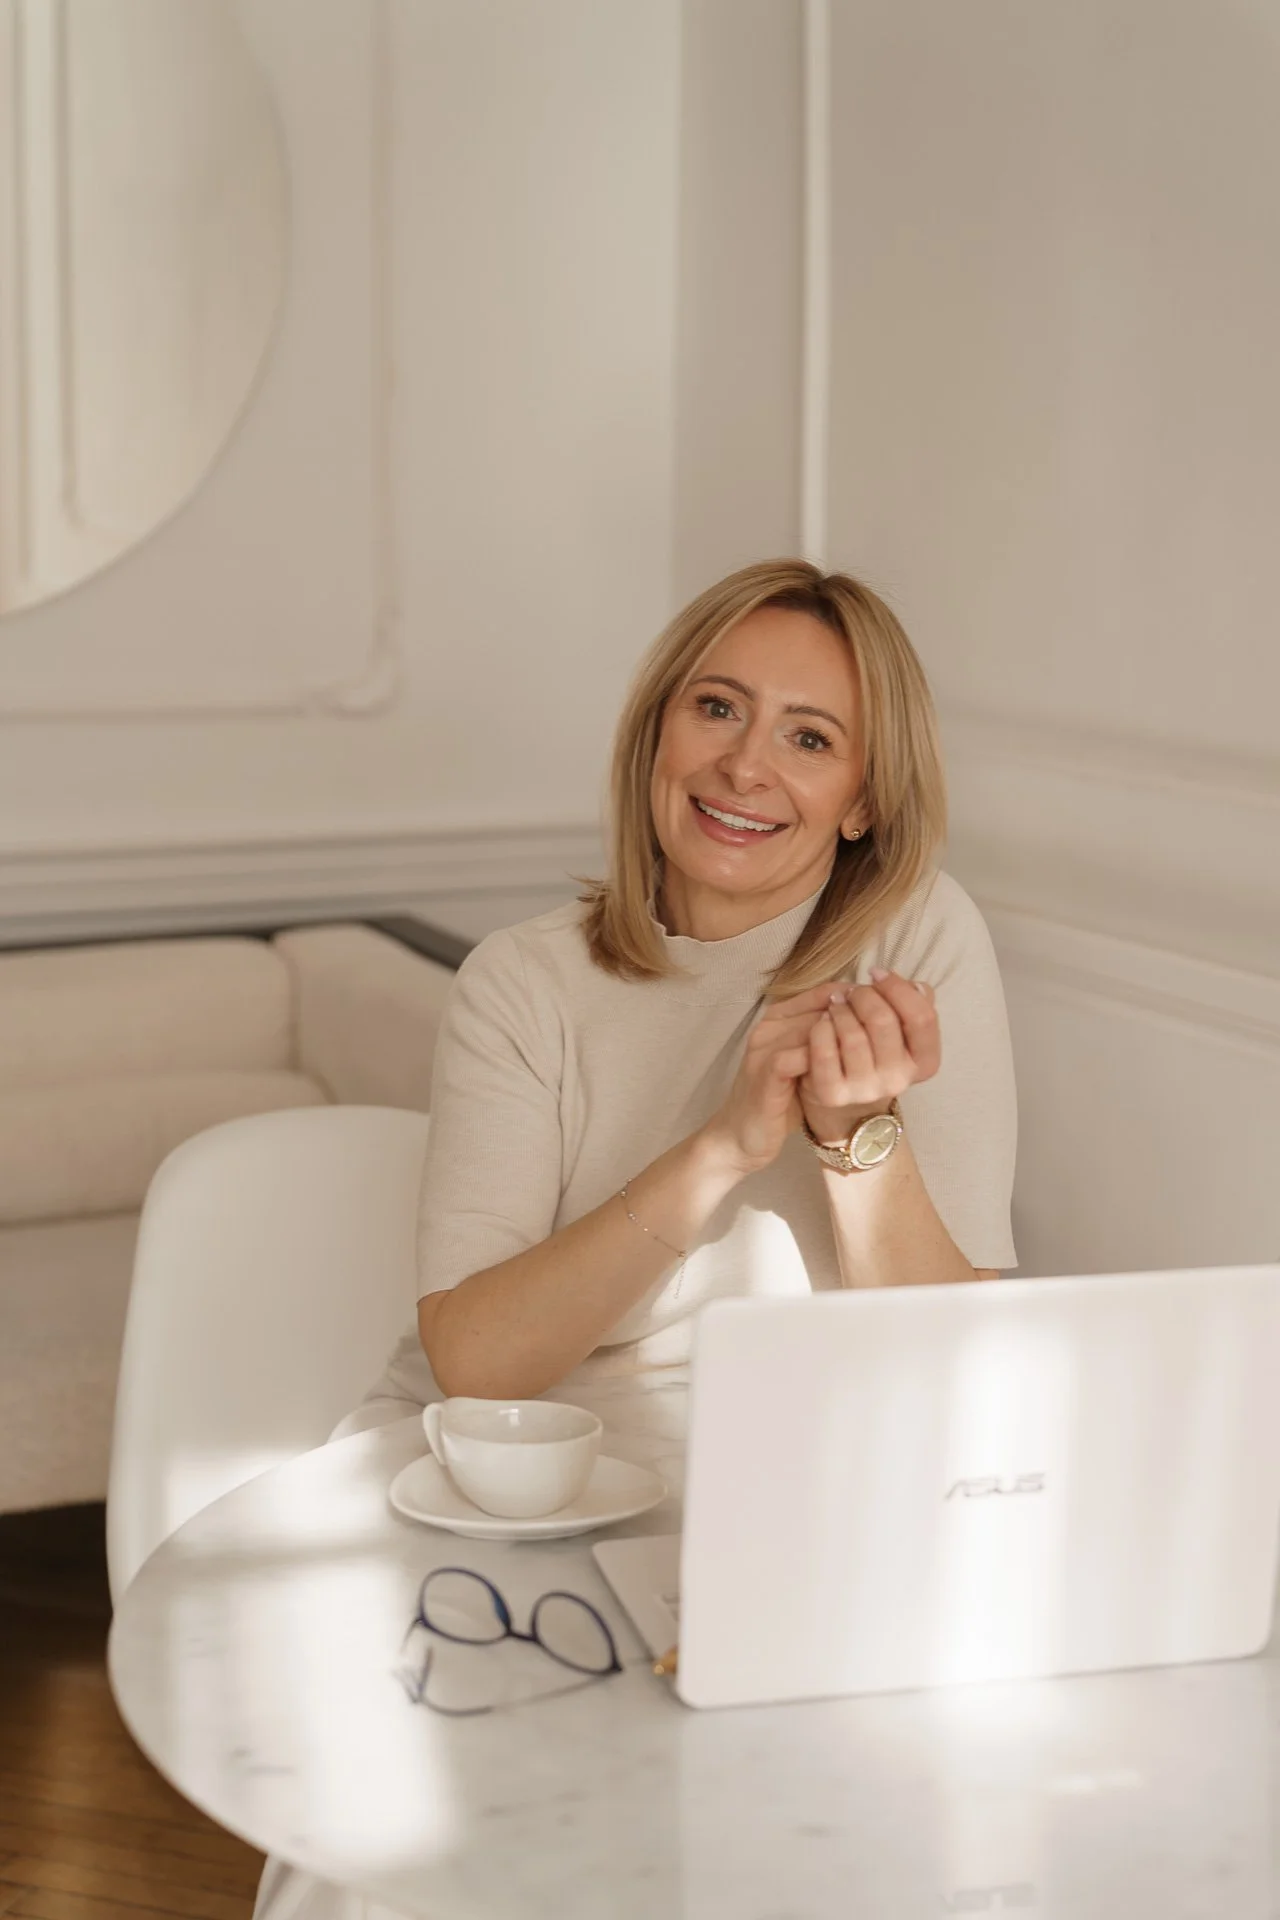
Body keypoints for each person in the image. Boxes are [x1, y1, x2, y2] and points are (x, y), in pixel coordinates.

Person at [253, 557, 1017, 1920]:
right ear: (657, 729)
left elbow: (957, 1365)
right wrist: (724, 1143)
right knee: (427, 1823)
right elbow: (478, 1361)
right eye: (716, 707)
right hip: (512, 1468)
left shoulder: (916, 946)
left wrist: (857, 1138)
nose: (745, 765)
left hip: (785, 1477)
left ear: (865, 800)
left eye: (811, 738)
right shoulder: (525, 981)